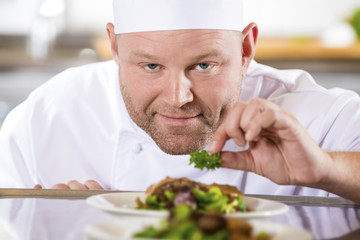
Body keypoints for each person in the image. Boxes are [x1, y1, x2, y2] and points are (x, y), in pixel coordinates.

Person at [1, 0, 360, 203]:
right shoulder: (49, 114)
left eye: (204, 65)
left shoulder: (315, 117)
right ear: (114, 47)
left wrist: (326, 168)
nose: (178, 97)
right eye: (151, 66)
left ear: (246, 48)